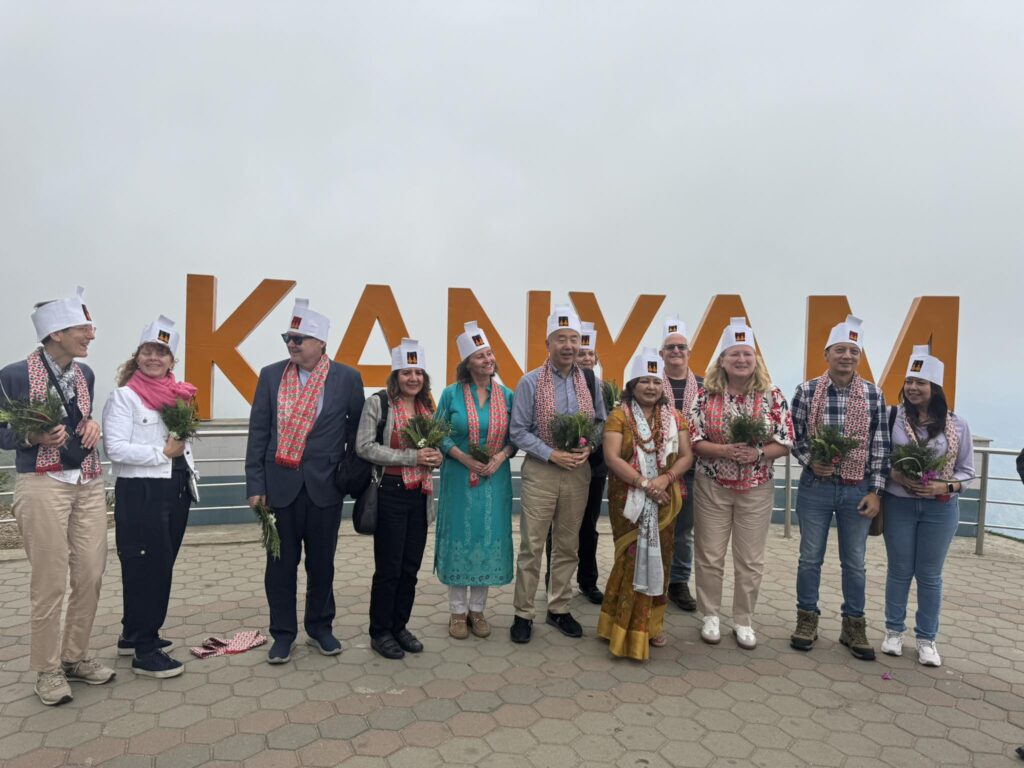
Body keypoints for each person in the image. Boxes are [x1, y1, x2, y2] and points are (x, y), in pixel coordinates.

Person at [0, 288, 115, 706]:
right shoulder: (14, 375)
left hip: (87, 479)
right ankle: (47, 669)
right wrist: (32, 437)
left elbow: (80, 417)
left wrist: (92, 426)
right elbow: (2, 432)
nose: (91, 335)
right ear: (56, 333)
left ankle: (75, 657)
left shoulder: (86, 375)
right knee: (49, 580)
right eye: (83, 328)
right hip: (42, 482)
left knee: (91, 572)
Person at [245, 299, 365, 664]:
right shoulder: (271, 375)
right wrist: (255, 485)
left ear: (321, 343)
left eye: (299, 339)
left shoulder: (347, 378)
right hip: (279, 486)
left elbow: (356, 433)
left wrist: (348, 475)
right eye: (288, 338)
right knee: (280, 566)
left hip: (325, 486)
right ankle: (282, 634)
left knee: (322, 564)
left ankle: (320, 627)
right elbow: (259, 432)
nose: (292, 344)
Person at [689, 318, 794, 650]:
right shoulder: (705, 395)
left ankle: (743, 619)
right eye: (734, 354)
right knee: (709, 554)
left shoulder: (772, 396)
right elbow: (694, 440)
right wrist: (723, 450)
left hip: (756, 487)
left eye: (747, 354)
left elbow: (786, 441)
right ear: (722, 360)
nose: (741, 360)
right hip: (712, 485)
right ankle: (710, 615)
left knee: (749, 559)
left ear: (755, 360)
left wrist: (758, 453)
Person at [102, 316, 198, 678]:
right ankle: (145, 650)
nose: (154, 358)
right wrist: (163, 453)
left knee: (160, 564)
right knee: (148, 568)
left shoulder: (179, 395)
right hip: (142, 492)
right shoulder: (124, 397)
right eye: (148, 351)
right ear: (137, 356)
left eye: (162, 352)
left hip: (175, 488)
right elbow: (115, 448)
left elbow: (182, 443)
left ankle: (133, 634)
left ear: (172, 360)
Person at [789, 315, 890, 660]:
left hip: (857, 488)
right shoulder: (806, 391)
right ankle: (806, 620)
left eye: (853, 351)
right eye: (840, 350)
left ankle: (853, 625)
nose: (847, 356)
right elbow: (794, 436)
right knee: (809, 558)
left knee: (855, 562)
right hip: (815, 486)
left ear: (859, 357)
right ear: (827, 354)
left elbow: (880, 446)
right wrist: (809, 461)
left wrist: (876, 491)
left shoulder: (874, 395)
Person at [509, 304, 607, 643]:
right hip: (542, 471)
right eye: (561, 339)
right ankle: (523, 613)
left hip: (578, 472)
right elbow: (518, 431)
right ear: (548, 343)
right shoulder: (530, 381)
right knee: (532, 546)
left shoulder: (590, 381)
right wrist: (551, 453)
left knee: (568, 545)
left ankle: (559, 608)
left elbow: (600, 422)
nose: (568, 346)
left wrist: (588, 447)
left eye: (574, 339)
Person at [598, 349, 693, 660]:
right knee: (630, 557)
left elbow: (687, 456)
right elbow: (612, 457)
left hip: (666, 497)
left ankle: (651, 625)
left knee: (662, 557)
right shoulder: (619, 416)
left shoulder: (675, 417)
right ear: (632, 385)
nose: (651, 387)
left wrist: (664, 480)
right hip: (629, 499)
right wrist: (644, 485)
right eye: (644, 381)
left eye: (656, 381)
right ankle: (619, 624)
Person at [881, 346, 973, 667]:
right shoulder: (892, 417)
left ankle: (926, 639)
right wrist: (896, 475)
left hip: (940, 508)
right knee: (899, 570)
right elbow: (878, 456)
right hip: (899, 504)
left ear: (934, 388)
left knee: (930, 574)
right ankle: (893, 631)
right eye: (909, 381)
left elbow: (966, 472)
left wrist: (942, 486)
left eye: (920, 382)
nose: (912, 388)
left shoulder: (957, 425)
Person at [356, 338, 441, 659]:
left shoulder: (427, 406)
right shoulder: (378, 403)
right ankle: (380, 631)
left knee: (410, 567)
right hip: (389, 493)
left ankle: (399, 626)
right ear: (395, 375)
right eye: (406, 372)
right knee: (389, 568)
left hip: (420, 494)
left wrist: (435, 457)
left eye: (418, 373)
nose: (413, 378)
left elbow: (434, 447)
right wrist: (411, 457)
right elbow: (364, 447)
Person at [434, 322, 516, 640]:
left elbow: (516, 436)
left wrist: (501, 456)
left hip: (495, 479)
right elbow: (438, 433)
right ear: (467, 363)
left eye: (490, 354)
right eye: (480, 356)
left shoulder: (506, 395)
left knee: (486, 537)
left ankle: (478, 610)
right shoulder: (451, 394)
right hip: (458, 477)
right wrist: (463, 457)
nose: (488, 360)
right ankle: (457, 611)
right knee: (461, 536)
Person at [543, 321, 608, 604]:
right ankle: (554, 582)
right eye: (581, 354)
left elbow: (602, 422)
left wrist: (589, 446)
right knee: (557, 528)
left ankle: (588, 580)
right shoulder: (547, 382)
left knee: (587, 527)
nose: (584, 358)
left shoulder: (597, 385)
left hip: (592, 467)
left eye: (588, 353)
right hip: (558, 464)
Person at [659, 315, 703, 613]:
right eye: (670, 347)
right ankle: (653, 578)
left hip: (692, 470)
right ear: (661, 353)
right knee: (653, 527)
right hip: (655, 469)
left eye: (681, 347)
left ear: (689, 352)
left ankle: (678, 583)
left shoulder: (703, 386)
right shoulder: (649, 381)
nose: (676, 351)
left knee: (684, 531)